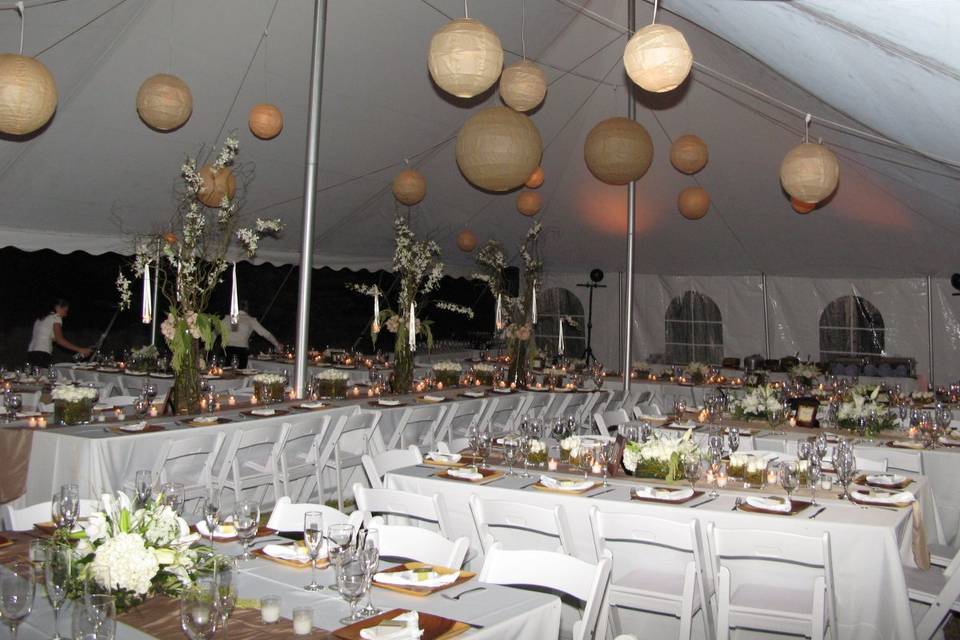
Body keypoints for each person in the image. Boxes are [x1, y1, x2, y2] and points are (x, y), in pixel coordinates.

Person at [26, 299, 92, 367]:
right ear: (57, 307)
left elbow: (52, 338)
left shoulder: (40, 319)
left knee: (33, 376)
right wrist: (80, 349)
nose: (66, 314)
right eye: (65, 311)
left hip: (31, 353)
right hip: (42, 354)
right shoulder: (56, 318)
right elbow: (60, 340)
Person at [222, 301, 281, 368]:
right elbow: (266, 334)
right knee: (240, 374)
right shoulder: (250, 320)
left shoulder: (227, 318)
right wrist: (277, 345)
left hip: (226, 351)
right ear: (246, 308)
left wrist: (208, 347)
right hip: (242, 352)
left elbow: (214, 333)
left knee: (226, 372)